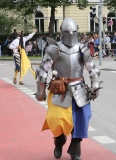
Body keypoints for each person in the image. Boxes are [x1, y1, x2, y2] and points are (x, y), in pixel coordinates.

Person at [35, 18, 102, 160]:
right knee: (57, 119)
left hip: (79, 89)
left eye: (73, 32)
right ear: (62, 32)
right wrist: (40, 91)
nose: (71, 34)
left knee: (82, 119)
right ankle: (59, 142)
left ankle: (75, 151)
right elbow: (42, 71)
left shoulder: (82, 49)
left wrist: (95, 85)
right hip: (60, 89)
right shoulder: (54, 49)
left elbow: (92, 69)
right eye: (67, 32)